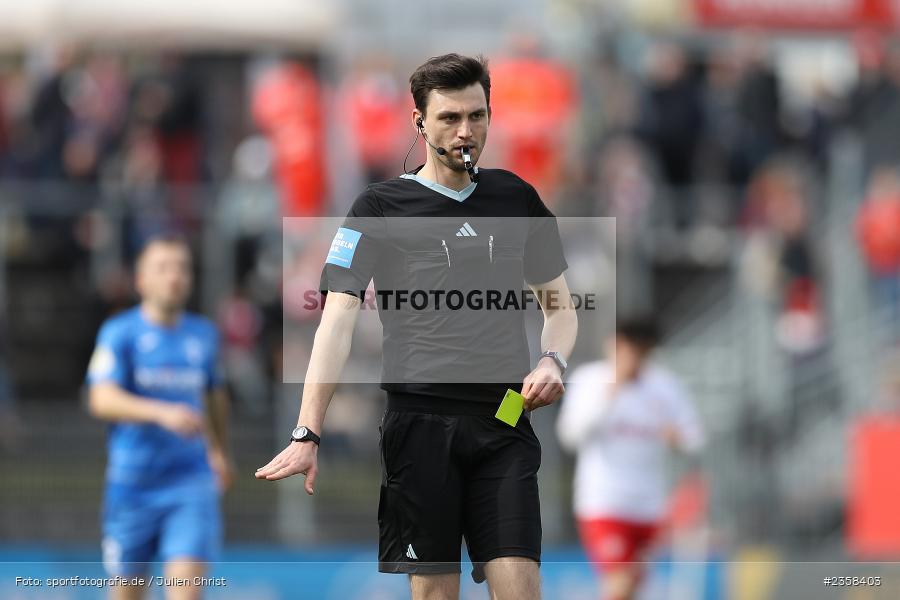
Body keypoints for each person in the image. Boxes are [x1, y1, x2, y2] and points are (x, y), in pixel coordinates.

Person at [256, 53, 578, 600]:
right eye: (450, 118)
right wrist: (307, 430)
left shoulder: (516, 198)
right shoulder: (379, 206)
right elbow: (335, 321)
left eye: (477, 116)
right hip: (419, 424)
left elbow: (561, 309)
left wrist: (553, 359)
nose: (465, 130)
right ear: (419, 123)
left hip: (504, 418)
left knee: (521, 587)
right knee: (434, 594)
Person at [86, 235, 232, 600]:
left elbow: (215, 397)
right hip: (131, 485)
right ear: (141, 280)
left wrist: (217, 449)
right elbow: (101, 398)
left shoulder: (204, 335)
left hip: (189, 483)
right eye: (163, 268)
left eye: (182, 267)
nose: (174, 276)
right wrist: (161, 412)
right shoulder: (120, 333)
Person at [556, 319, 704, 600]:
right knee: (618, 584)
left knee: (632, 587)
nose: (632, 357)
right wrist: (609, 396)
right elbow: (571, 434)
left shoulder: (664, 386)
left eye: (640, 351)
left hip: (649, 507)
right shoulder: (591, 380)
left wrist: (678, 438)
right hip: (604, 503)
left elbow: (694, 436)